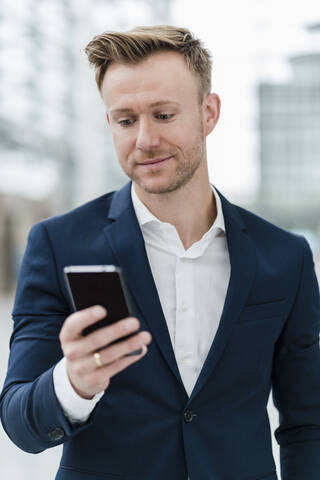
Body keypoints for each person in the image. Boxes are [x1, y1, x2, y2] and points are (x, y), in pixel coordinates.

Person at [1, 25, 320, 480]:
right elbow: (19, 423)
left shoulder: (284, 256)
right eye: (127, 120)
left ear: (208, 113)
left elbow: (308, 424)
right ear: (110, 123)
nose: (145, 139)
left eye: (164, 115)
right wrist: (73, 384)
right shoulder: (58, 245)